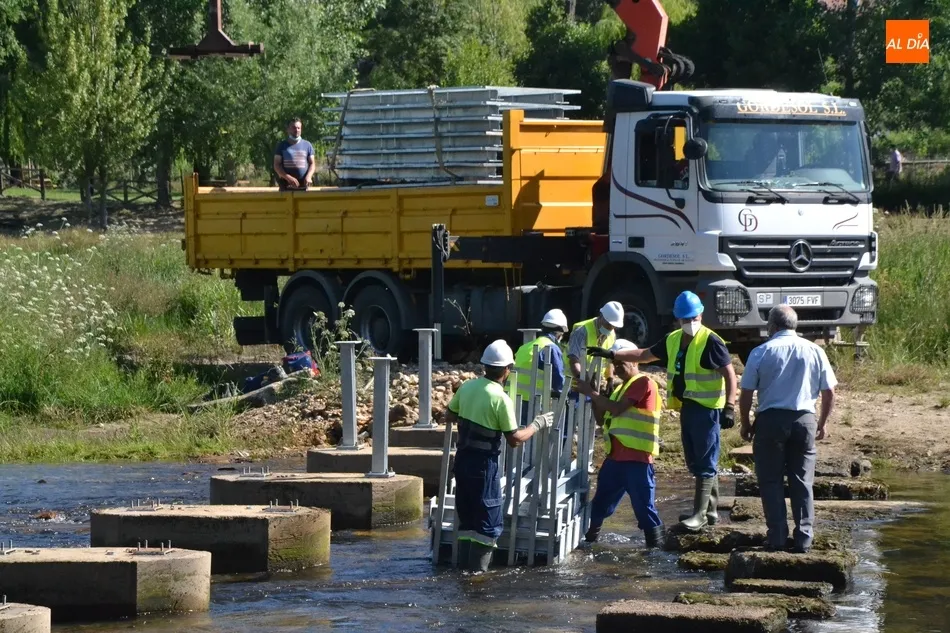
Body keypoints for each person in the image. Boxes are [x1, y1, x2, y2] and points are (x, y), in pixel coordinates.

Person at [587, 290, 737, 532]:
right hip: (688, 406)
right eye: (685, 319)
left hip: (708, 410)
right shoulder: (673, 339)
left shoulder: (711, 340)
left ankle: (700, 515)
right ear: (678, 319)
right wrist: (613, 354)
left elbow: (730, 374)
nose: (690, 323)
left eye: (693, 318)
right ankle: (709, 512)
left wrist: (730, 406)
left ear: (700, 315)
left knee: (706, 459)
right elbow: (644, 355)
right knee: (695, 459)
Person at [444, 339, 555, 572]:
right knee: (488, 522)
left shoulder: (466, 387)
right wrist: (537, 424)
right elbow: (514, 440)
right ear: (507, 370)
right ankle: (476, 577)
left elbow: (450, 415)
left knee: (467, 517)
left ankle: (462, 573)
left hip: (462, 462)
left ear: (485, 366)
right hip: (484, 467)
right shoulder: (501, 399)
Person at [738, 305, 837, 553]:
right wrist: (823, 423)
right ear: (795, 325)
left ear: (772, 326)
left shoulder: (761, 352)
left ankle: (777, 537)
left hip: (770, 421)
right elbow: (829, 391)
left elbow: (747, 392)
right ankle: (804, 538)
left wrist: (746, 424)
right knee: (802, 482)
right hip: (805, 419)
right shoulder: (815, 351)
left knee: (770, 481)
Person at [584, 339, 665, 548]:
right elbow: (603, 419)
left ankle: (656, 552)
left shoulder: (643, 382)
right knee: (600, 505)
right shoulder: (622, 388)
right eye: (616, 364)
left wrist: (591, 393)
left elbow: (617, 409)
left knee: (644, 509)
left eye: (622, 363)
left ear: (634, 362)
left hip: (637, 460)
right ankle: (588, 541)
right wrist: (595, 398)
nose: (618, 368)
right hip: (615, 460)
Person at [513, 309, 569, 426]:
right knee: (532, 439)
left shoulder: (525, 347)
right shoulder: (551, 348)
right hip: (534, 401)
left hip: (514, 398)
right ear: (558, 333)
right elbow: (559, 382)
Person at [568, 301, 624, 398]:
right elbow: (574, 360)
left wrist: (610, 379)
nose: (611, 328)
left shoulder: (611, 334)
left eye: (614, 326)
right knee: (574, 410)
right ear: (601, 316)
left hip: (593, 381)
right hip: (575, 380)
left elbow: (608, 360)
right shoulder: (582, 331)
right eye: (609, 324)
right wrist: (584, 378)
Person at [273, 117, 315, 191]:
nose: (296, 130)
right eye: (294, 128)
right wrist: (288, 177)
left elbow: (312, 163)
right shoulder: (282, 145)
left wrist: (309, 176)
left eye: (299, 128)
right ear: (288, 129)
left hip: (303, 187)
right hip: (286, 187)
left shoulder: (307, 145)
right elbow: (276, 165)